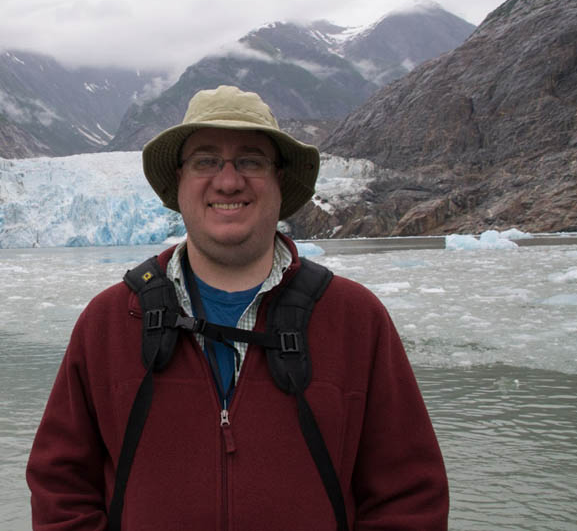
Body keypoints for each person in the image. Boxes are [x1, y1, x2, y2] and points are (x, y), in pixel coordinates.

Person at [26, 85, 449, 530]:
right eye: (205, 161)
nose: (228, 181)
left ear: (280, 180)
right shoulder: (110, 322)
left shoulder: (355, 321)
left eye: (250, 160)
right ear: (180, 180)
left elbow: (409, 498)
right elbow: (62, 489)